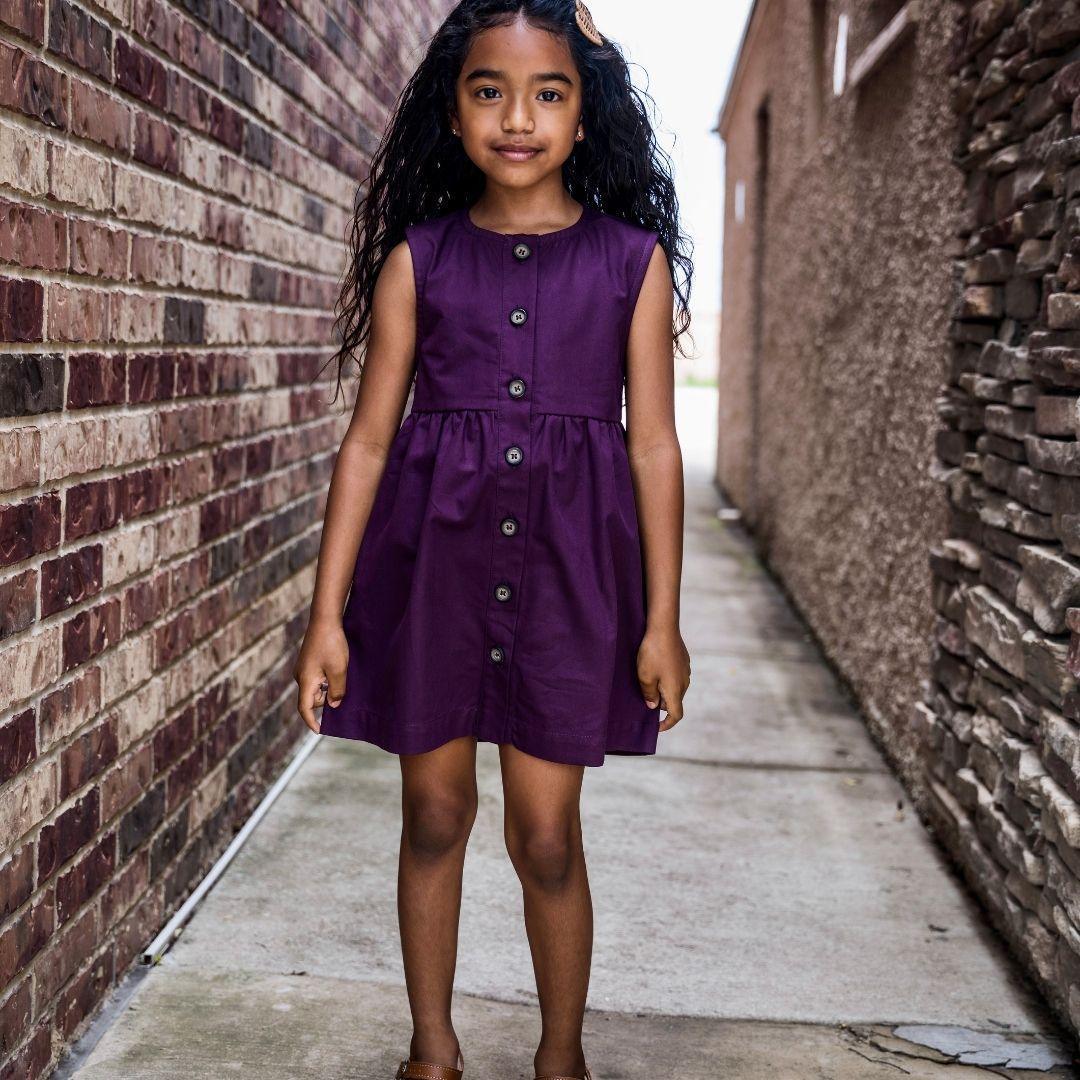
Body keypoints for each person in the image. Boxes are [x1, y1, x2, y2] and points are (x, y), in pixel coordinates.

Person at [293, 2, 692, 1077]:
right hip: (434, 577)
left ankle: (560, 1055)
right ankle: (434, 1048)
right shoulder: (419, 261)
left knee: (547, 835)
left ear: (582, 111)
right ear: (452, 109)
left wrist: (663, 621)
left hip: (568, 584)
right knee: (433, 813)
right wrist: (327, 617)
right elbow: (369, 446)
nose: (518, 117)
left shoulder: (631, 263)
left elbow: (653, 448)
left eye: (549, 91)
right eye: (488, 90)